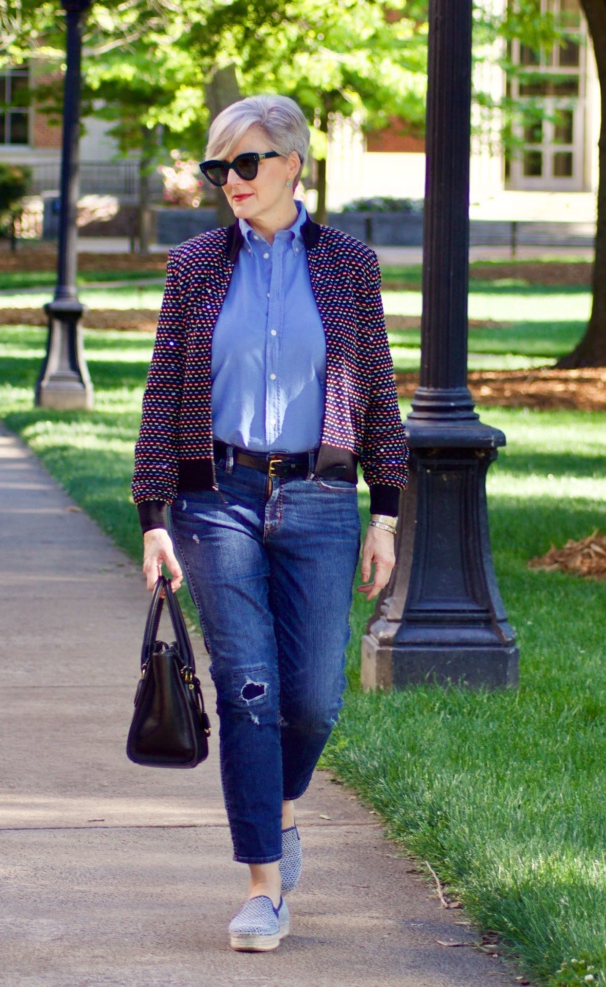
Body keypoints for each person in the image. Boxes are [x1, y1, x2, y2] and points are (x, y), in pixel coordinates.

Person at [130, 94, 408, 953]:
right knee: (249, 689)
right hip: (218, 498)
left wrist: (386, 515)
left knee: (315, 694)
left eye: (246, 164)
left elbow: (377, 393)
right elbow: (162, 396)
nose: (231, 182)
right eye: (219, 169)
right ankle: (262, 887)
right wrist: (154, 518)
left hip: (321, 499)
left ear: (293, 163)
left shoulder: (350, 267)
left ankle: (278, 806)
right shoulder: (196, 267)